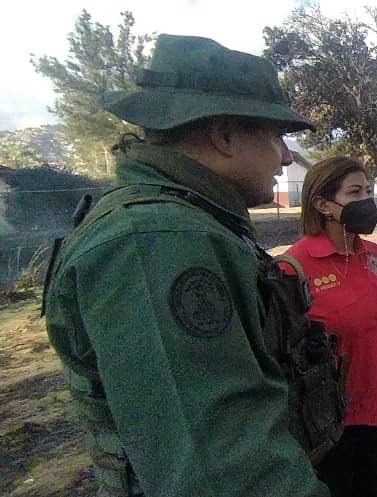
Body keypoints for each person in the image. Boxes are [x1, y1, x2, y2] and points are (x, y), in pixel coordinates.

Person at [42, 34, 333, 496]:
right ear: (224, 135)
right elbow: (222, 470)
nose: (286, 156)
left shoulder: (190, 221)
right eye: (276, 135)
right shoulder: (156, 242)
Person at [285, 157, 377, 497]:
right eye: (354, 192)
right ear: (323, 204)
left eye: (368, 190)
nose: (367, 200)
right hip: (329, 419)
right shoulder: (295, 267)